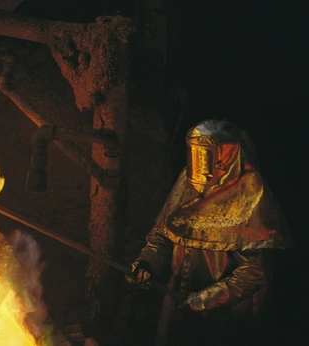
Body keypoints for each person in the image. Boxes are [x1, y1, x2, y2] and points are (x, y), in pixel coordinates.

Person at [126, 119, 294, 346]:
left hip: (227, 314)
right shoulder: (188, 185)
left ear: (226, 159)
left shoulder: (250, 198)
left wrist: (205, 300)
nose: (198, 166)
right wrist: (147, 263)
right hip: (180, 296)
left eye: (204, 156)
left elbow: (254, 273)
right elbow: (163, 235)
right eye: (194, 154)